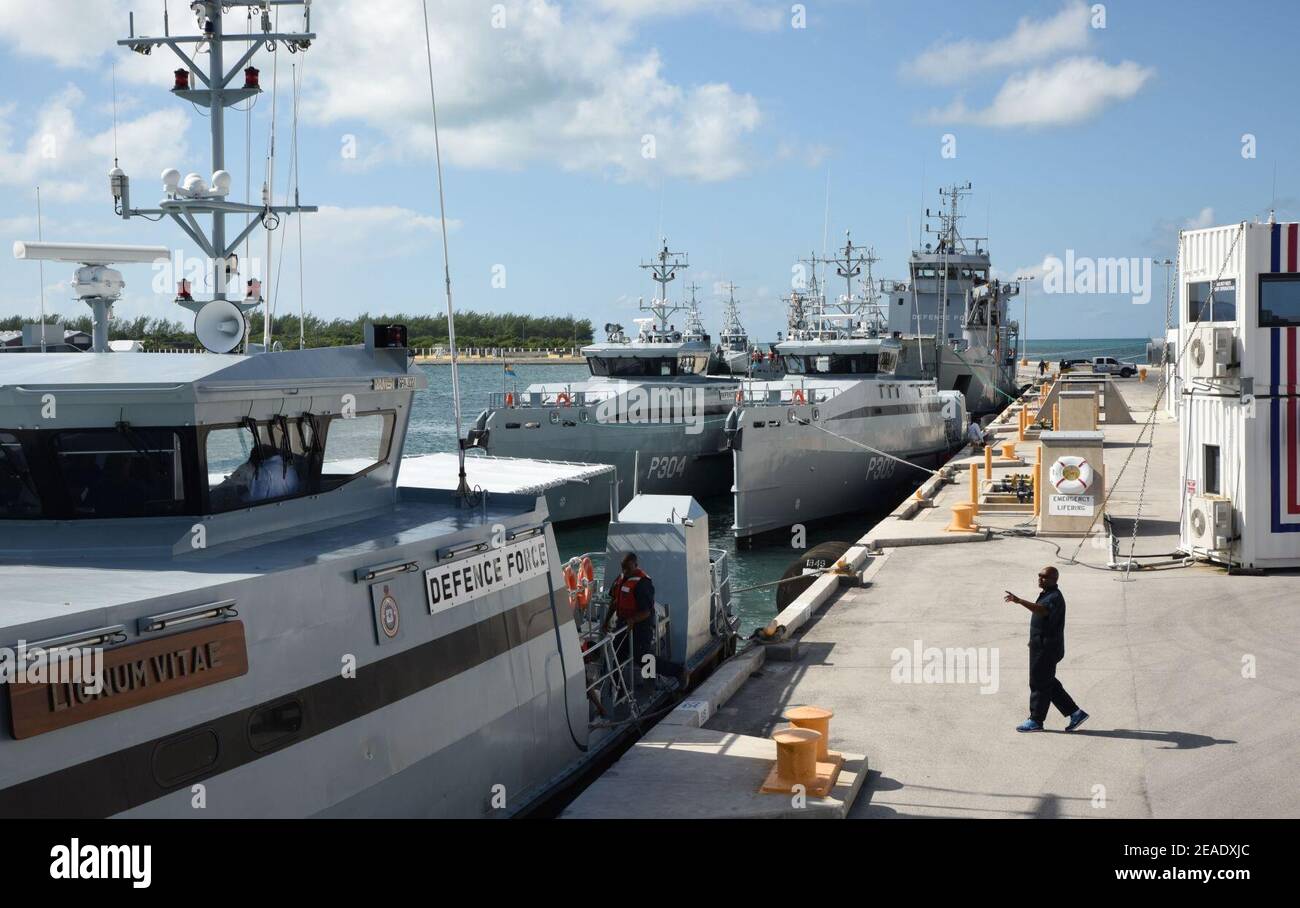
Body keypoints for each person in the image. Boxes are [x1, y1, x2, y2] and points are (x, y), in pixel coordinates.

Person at [1004, 566, 1088, 732]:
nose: (1040, 579)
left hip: (1047, 648)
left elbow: (1042, 611)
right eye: (1039, 576)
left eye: (1044, 577)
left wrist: (1019, 601)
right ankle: (1075, 712)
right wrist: (1033, 640)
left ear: (1054, 580)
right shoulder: (1047, 594)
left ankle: (1036, 720)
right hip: (1040, 645)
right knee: (1047, 682)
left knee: (1038, 683)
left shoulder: (1054, 596)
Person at [602, 552, 656, 691]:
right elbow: (614, 603)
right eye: (623, 568)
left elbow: (647, 611)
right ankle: (616, 689)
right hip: (623, 624)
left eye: (628, 568)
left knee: (644, 657)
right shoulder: (620, 579)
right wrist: (606, 621)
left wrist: (633, 619)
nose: (625, 571)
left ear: (635, 566)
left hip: (642, 625)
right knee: (617, 655)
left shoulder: (643, 583)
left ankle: (650, 685)